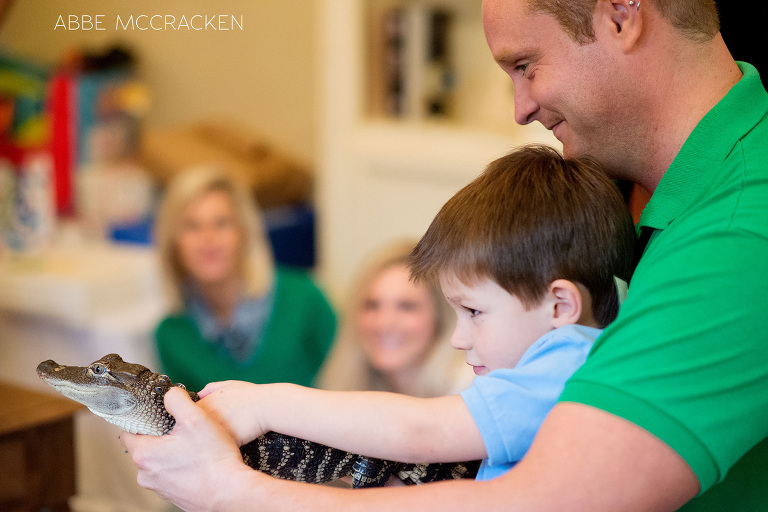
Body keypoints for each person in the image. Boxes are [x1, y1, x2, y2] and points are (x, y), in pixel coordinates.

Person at [123, 0, 768, 509]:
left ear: (621, 14)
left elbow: (543, 500)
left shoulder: (739, 236)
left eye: (525, 64)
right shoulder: (636, 184)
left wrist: (228, 493)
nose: (520, 109)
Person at [122, 144, 635, 507]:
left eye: (474, 312)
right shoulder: (559, 367)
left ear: (561, 306)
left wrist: (265, 400)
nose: (457, 337)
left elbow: (422, 428)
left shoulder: (563, 362)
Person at [153, 166, 337, 392]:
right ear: (173, 243)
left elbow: (350, 384)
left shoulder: (304, 299)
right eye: (192, 226)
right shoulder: (172, 335)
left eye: (221, 223)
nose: (207, 238)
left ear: (244, 232)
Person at [317, 240, 472, 398]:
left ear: (440, 318)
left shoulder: (470, 391)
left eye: (406, 306)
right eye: (372, 305)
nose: (384, 323)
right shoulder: (346, 390)